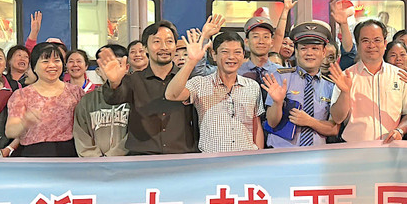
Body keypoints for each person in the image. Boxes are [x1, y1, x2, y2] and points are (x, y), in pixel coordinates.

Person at [100, 21, 198, 155]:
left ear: (175, 46)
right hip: (142, 157)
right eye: (157, 42)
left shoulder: (190, 80)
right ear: (145, 48)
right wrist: (114, 83)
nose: (164, 47)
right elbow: (112, 99)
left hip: (181, 156)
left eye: (169, 41)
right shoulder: (134, 80)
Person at [165, 30, 264, 153]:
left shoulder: (252, 86)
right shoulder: (200, 84)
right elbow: (171, 94)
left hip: (247, 157)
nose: (231, 57)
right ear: (214, 54)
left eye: (237, 52)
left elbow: (256, 124)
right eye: (225, 52)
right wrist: (191, 61)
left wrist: (259, 155)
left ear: (243, 55)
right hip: (212, 159)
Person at [329, 19, 407, 142]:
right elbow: (337, 118)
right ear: (357, 45)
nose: (371, 45)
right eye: (365, 40)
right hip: (354, 148)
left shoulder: (400, 76)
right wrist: (345, 92)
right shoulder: (345, 76)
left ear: (385, 43)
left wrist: (400, 131)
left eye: (377, 40)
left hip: (390, 146)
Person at [262, 21, 338, 148]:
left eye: (315, 48)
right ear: (296, 51)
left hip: (316, 153)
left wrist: (309, 121)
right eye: (303, 48)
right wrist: (278, 103)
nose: (309, 53)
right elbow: (272, 122)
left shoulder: (330, 86)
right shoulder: (281, 77)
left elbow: (334, 129)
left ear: (324, 52)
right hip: (282, 153)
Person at [5, 43, 84, 157]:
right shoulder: (22, 95)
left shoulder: (76, 92)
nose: (52, 65)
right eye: (45, 61)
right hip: (33, 154)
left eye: (56, 61)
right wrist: (24, 122)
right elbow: (10, 131)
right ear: (34, 67)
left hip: (69, 153)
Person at [73, 44, 130, 157]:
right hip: (95, 164)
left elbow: (137, 134)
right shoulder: (87, 101)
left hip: (128, 162)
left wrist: (114, 156)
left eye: (117, 64)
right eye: (106, 65)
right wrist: (97, 159)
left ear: (126, 68)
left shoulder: (135, 97)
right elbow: (81, 135)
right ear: (98, 70)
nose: (112, 69)